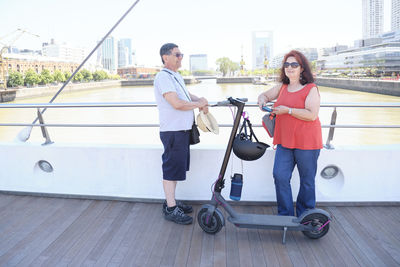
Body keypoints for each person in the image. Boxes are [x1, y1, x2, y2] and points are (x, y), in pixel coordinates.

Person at [257, 50, 323, 217]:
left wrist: (289, 111)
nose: (290, 68)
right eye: (287, 64)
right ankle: (285, 216)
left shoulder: (310, 88)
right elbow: (264, 94)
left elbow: (312, 115)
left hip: (307, 142)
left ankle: (306, 216)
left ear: (302, 68)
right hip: (285, 142)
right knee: (279, 176)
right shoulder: (282, 87)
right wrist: (262, 100)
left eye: (294, 64)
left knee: (307, 182)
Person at [154, 43, 209, 224]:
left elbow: (185, 95)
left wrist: (199, 99)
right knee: (171, 170)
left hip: (181, 131)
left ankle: (172, 202)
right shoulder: (163, 77)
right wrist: (199, 104)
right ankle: (170, 208)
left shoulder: (175, 76)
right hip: (173, 131)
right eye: (177, 54)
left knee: (176, 169)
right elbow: (176, 103)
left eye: (181, 54)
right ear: (165, 57)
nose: (180, 57)